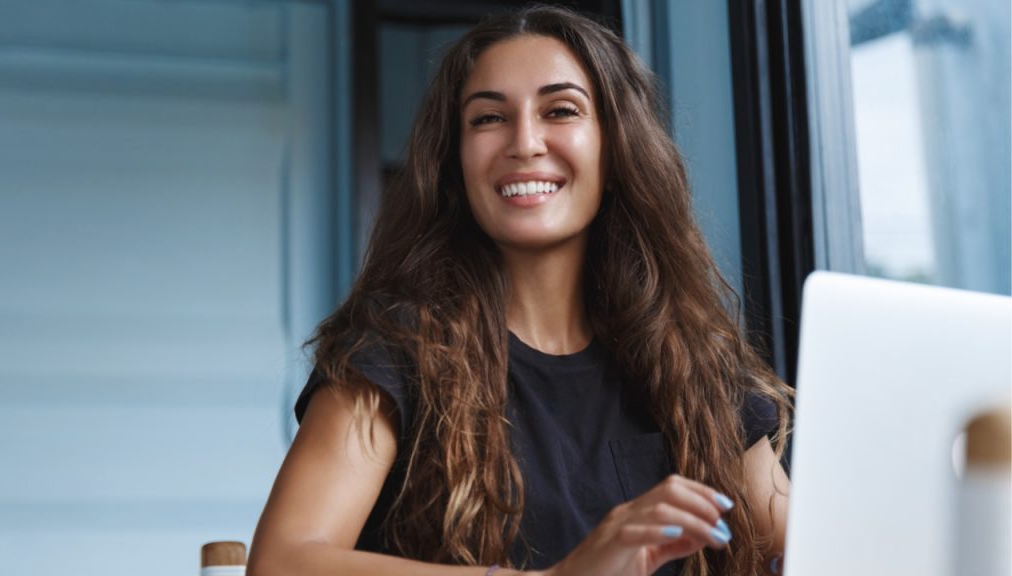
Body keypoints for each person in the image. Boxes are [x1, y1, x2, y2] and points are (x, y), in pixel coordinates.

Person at [248, 5, 793, 576]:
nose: (525, 142)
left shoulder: (693, 363)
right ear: (456, 164)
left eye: (560, 110)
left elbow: (812, 552)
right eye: (487, 119)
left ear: (615, 148)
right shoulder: (392, 347)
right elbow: (283, 563)